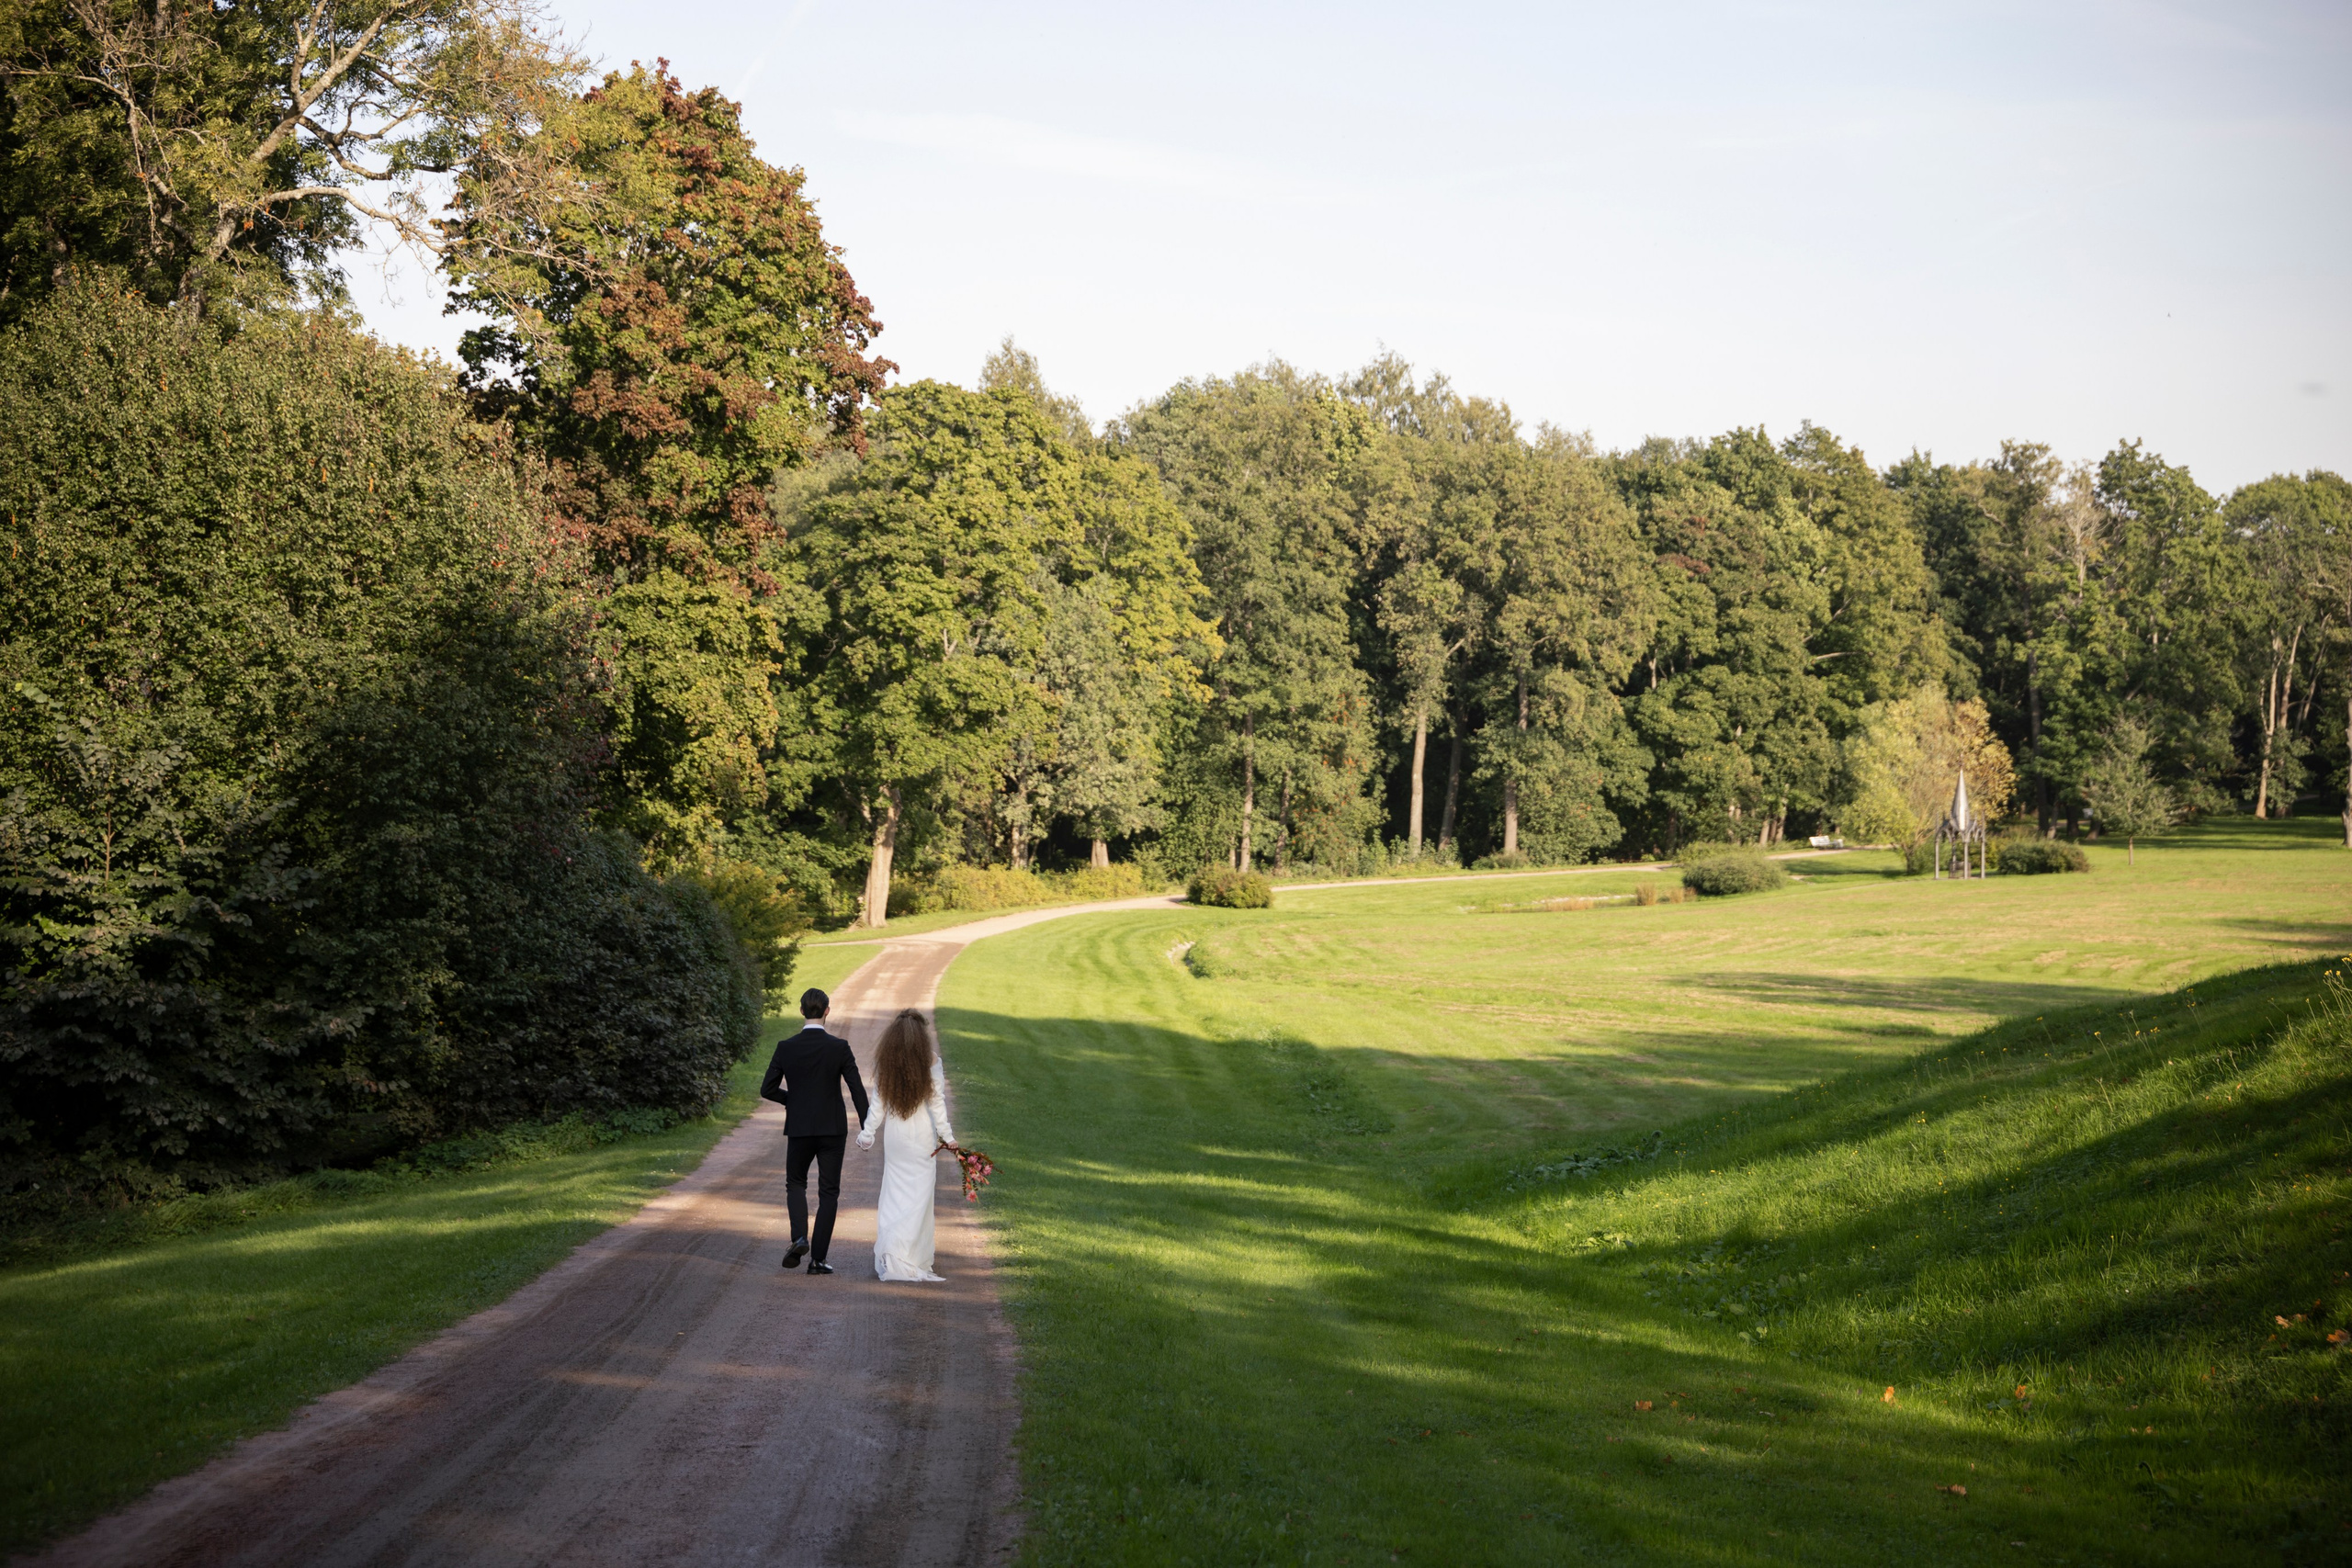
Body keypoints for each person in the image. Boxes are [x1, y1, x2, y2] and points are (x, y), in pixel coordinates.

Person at [760, 987, 870, 1275]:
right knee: (828, 1192)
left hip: (799, 1128)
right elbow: (856, 1089)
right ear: (827, 1011)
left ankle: (799, 1237)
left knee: (795, 1183)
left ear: (801, 1012)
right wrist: (867, 1125)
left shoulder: (786, 1047)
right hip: (833, 1129)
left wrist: (792, 1101)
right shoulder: (839, 1047)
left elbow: (767, 1089)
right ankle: (818, 1260)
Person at [856, 1010, 956, 1283]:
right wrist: (948, 1137)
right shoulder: (931, 1061)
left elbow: (878, 1104)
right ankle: (911, 1256)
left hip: (896, 1136)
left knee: (894, 1194)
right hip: (922, 1137)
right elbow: (937, 1105)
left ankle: (892, 1250)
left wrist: (868, 1133)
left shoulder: (886, 1062)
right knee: (920, 1199)